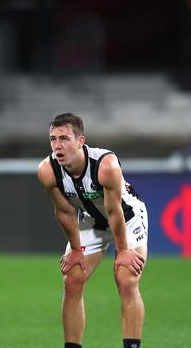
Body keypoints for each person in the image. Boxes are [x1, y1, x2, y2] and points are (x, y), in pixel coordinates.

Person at [36, 113, 148, 348]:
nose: (58, 146)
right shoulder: (47, 170)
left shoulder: (106, 165)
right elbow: (65, 212)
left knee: (126, 279)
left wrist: (124, 249)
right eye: (53, 139)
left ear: (80, 141)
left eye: (64, 138)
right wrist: (76, 250)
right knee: (72, 279)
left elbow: (115, 211)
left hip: (126, 219)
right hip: (90, 221)